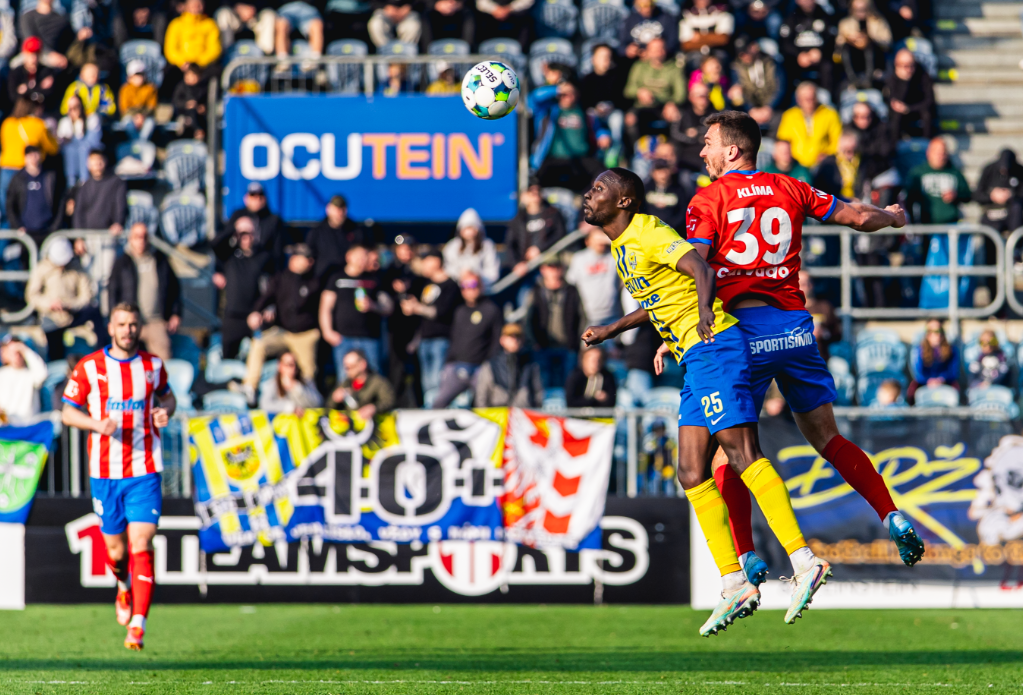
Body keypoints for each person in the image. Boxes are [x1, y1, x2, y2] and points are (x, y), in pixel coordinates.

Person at [670, 111, 922, 576]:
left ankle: (745, 557)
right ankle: (892, 514)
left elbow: (696, 269)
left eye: (708, 143)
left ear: (732, 150)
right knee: (828, 438)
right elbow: (856, 215)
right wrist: (891, 217)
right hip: (794, 331)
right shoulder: (791, 187)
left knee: (730, 450)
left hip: (740, 334)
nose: (702, 151)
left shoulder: (707, 199)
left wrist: (677, 329)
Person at [578, 166, 829, 635]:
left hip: (713, 347)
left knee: (742, 453)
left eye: (598, 189)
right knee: (691, 471)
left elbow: (701, 269)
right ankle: (734, 582)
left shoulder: (648, 232)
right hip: (693, 356)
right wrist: (613, 328)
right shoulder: (622, 245)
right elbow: (660, 299)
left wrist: (703, 318)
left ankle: (804, 560)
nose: (588, 195)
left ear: (624, 201)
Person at [61, 303, 176, 651]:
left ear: (139, 328)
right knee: (116, 550)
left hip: (144, 469)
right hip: (105, 473)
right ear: (111, 328)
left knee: (142, 542)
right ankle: (123, 586)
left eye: (133, 324)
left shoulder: (153, 366)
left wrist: (164, 412)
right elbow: (68, 413)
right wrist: (96, 424)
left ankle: (138, 625)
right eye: (122, 324)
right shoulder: (90, 367)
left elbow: (168, 398)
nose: (128, 330)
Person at [242, 243, 321, 404]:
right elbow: (265, 298)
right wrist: (256, 312)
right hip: (283, 331)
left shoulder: (315, 282)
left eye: (302, 257)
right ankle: (250, 387)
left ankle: (309, 402)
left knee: (308, 372)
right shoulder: (280, 278)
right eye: (295, 256)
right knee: (259, 344)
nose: (295, 260)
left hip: (305, 334)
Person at [108, 223, 182, 361]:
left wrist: (176, 313)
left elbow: (174, 288)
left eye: (144, 237)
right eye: (137, 237)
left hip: (156, 321)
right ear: (130, 239)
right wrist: (115, 319)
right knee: (126, 360)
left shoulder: (160, 260)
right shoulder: (122, 262)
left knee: (164, 361)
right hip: (130, 322)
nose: (141, 240)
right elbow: (112, 292)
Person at [320, 243, 393, 377]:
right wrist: (327, 331)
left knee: (373, 377)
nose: (362, 260)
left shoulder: (374, 279)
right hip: (343, 338)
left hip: (369, 338)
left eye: (365, 257)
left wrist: (373, 306)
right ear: (348, 256)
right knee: (345, 377)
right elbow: (325, 307)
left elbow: (388, 307)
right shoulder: (337, 278)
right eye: (359, 256)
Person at [432, 272, 502, 408]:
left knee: (484, 405)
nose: (469, 289)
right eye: (464, 286)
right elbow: (454, 338)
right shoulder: (459, 310)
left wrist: (488, 365)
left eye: (473, 285)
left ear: (481, 286)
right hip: (456, 368)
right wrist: (449, 363)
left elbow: (496, 341)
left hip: (480, 369)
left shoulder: (491, 309)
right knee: (438, 403)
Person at [26, 237, 102, 360]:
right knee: (55, 351)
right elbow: (32, 295)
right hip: (51, 319)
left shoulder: (77, 268)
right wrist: (49, 304)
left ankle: (102, 351)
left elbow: (86, 296)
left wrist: (70, 305)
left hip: (73, 315)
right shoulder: (42, 269)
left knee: (94, 312)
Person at [529, 81, 611, 193]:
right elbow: (533, 99)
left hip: (580, 158)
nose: (568, 97)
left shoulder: (585, 112)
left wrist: (603, 135)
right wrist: (556, 89)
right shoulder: (548, 111)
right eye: (565, 94)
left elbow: (599, 128)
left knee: (602, 172)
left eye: (572, 93)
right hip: (553, 158)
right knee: (537, 181)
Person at [400, 250, 460, 400]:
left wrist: (417, 308)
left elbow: (442, 312)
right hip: (424, 339)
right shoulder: (424, 284)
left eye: (426, 260)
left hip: (442, 339)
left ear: (436, 261)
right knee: (426, 381)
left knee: (437, 380)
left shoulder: (451, 285)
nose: (423, 265)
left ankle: (436, 408)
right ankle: (429, 407)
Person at [212, 216, 274, 359]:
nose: (246, 237)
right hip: (232, 316)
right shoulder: (230, 255)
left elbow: (272, 285)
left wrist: (268, 307)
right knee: (228, 357)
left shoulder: (264, 256)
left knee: (256, 358)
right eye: (242, 234)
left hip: (255, 316)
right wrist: (234, 229)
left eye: (249, 233)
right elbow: (215, 244)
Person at [524, 259, 587, 388]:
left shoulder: (571, 290)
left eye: (557, 267)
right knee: (543, 386)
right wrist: (534, 342)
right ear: (543, 270)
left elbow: (582, 317)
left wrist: (577, 341)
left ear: (562, 269)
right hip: (542, 347)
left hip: (568, 347)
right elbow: (528, 320)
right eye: (550, 267)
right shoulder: (535, 291)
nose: (554, 271)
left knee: (568, 384)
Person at [0, 98, 59, 227]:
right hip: (25, 173)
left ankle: (5, 239)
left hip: (5, 169)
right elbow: (53, 148)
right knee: (23, 211)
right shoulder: (38, 124)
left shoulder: (7, 123)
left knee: (6, 212)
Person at [505, 180, 567, 277]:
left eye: (538, 190)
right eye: (531, 191)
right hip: (526, 267)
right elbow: (510, 244)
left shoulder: (553, 214)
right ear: (523, 196)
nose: (535, 193)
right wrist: (516, 264)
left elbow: (560, 234)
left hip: (549, 264)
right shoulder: (518, 220)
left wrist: (540, 249)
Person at [474, 323, 543, 408]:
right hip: (497, 413)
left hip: (523, 412)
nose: (515, 340)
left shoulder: (530, 364)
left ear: (522, 340)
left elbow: (538, 393)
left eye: (518, 336)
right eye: (510, 336)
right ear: (502, 340)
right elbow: (481, 396)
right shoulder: (491, 365)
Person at [776, 82, 843, 169]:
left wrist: (828, 155)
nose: (810, 102)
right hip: (795, 165)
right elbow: (782, 141)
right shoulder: (789, 116)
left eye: (812, 98)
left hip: (822, 165)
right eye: (806, 99)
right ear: (799, 100)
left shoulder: (830, 114)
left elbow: (838, 141)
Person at [905, 137, 971, 225]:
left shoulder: (954, 172)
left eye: (943, 153)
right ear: (929, 153)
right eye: (937, 153)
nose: (941, 157)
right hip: (926, 224)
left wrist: (956, 195)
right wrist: (914, 223)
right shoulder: (918, 173)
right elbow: (909, 200)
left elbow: (968, 195)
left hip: (951, 224)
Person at [218, 182, 286, 266]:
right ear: (246, 198)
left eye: (260, 196)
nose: (257, 200)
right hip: (239, 264)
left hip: (263, 265)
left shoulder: (273, 220)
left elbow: (278, 250)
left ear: (264, 199)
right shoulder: (238, 215)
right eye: (253, 196)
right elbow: (223, 243)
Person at [6, 146, 61, 247]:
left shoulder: (50, 176)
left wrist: (55, 227)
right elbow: (10, 205)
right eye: (30, 155)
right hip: (25, 233)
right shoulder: (18, 179)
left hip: (48, 231)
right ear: (25, 158)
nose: (33, 158)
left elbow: (60, 202)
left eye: (35, 154)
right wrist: (17, 226)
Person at [567, 226, 621, 328]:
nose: (599, 241)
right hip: (588, 318)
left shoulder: (613, 256)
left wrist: (608, 239)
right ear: (587, 241)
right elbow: (570, 282)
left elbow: (628, 247)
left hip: (614, 316)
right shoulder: (579, 258)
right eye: (596, 238)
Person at [779, 0, 836, 96]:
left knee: (828, 66)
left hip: (819, 57)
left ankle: (826, 97)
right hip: (798, 57)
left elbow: (832, 39)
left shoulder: (824, 15)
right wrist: (798, 55)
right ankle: (791, 98)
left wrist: (821, 52)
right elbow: (784, 43)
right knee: (786, 66)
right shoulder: (791, 16)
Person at [727, 37, 781, 132]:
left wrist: (769, 107)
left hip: (772, 109)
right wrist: (750, 109)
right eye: (740, 53)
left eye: (745, 51)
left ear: (754, 47)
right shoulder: (736, 67)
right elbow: (737, 91)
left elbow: (780, 88)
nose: (743, 55)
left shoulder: (772, 63)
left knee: (781, 119)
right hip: (749, 110)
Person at [835, 0, 891, 90]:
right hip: (855, 57)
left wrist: (869, 39)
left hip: (876, 56)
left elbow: (887, 42)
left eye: (863, 9)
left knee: (869, 47)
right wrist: (850, 39)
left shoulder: (878, 21)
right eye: (856, 9)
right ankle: (853, 80)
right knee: (846, 48)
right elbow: (838, 42)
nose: (860, 12)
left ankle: (868, 80)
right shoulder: (845, 23)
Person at [442, 208, 500, 290]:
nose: (469, 232)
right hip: (456, 290)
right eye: (466, 228)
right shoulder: (452, 246)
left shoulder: (487, 245)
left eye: (471, 228)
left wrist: (475, 277)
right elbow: (447, 267)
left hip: (481, 290)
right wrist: (461, 275)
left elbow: (493, 271)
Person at [329, 349, 395, 420]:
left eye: (351, 366)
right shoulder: (345, 383)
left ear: (363, 365)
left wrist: (374, 408)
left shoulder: (378, 382)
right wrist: (334, 400)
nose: (347, 370)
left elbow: (389, 401)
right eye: (346, 367)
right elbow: (328, 407)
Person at [307, 194, 362, 279]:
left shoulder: (355, 230)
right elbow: (310, 255)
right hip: (323, 278)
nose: (339, 213)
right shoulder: (317, 232)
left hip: (347, 279)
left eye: (342, 210)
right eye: (336, 209)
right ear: (328, 209)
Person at [885, 48, 935, 141]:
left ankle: (927, 143)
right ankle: (895, 145)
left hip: (918, 109)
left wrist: (909, 109)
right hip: (901, 113)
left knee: (927, 114)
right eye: (905, 66)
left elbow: (929, 101)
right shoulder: (892, 78)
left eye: (912, 65)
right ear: (897, 65)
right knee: (896, 116)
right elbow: (895, 100)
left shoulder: (924, 76)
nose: (909, 69)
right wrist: (904, 81)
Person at [73, 150, 127, 234]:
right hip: (88, 235)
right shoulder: (84, 187)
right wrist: (79, 236)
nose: (97, 163)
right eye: (94, 160)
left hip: (110, 234)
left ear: (105, 161)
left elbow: (121, 206)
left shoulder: (117, 183)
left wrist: (118, 223)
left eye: (100, 159)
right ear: (88, 164)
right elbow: (79, 212)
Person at [164, 0, 222, 76]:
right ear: (185, 5)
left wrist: (199, 63)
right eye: (193, 3)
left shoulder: (210, 24)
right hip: (181, 66)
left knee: (216, 70)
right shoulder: (176, 24)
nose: (196, 6)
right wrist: (182, 62)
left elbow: (215, 49)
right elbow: (170, 50)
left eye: (200, 3)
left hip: (203, 66)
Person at [669, 81, 717, 173]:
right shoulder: (682, 114)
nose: (704, 99)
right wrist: (692, 138)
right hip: (686, 161)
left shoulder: (715, 114)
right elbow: (674, 135)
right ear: (691, 97)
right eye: (700, 96)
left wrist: (697, 133)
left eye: (706, 95)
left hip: (709, 159)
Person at [56, 95, 103, 185]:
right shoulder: (65, 122)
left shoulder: (92, 119)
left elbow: (94, 140)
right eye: (71, 108)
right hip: (71, 155)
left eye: (77, 107)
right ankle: (71, 184)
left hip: (89, 152)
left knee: (82, 149)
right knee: (70, 150)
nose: (74, 111)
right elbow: (61, 142)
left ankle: (84, 182)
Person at [974, 149, 1023, 233]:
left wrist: (1010, 195)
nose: (1004, 171)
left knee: (1017, 209)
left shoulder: (1020, 171)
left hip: (1013, 217)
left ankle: (1016, 241)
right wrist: (992, 196)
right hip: (992, 214)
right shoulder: (989, 170)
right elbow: (977, 195)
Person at [0, 335, 48, 422]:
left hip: (29, 425)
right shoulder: (2, 374)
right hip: (5, 425)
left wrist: (24, 349)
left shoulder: (31, 374)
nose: (16, 354)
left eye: (18, 351)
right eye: (11, 351)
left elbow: (42, 375)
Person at [909, 319, 959, 401]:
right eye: (932, 331)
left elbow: (953, 371)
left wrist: (941, 379)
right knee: (912, 390)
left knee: (955, 388)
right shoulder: (918, 350)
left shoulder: (952, 350)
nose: (937, 334)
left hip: (945, 381)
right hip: (925, 382)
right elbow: (918, 373)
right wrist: (929, 380)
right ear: (927, 333)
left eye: (939, 330)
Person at [258, 350, 323, 413]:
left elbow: (318, 402)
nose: (291, 367)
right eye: (287, 364)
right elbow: (264, 404)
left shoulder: (306, 381)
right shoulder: (273, 383)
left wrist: (297, 388)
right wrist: (289, 407)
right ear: (280, 366)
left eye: (293, 364)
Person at [19, 0, 73, 70]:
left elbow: (67, 43)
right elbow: (31, 40)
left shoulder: (62, 19)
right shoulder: (28, 17)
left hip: (57, 57)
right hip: (34, 53)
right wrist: (50, 54)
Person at [798, 270, 840, 360]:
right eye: (798, 284)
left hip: (822, 359)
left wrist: (823, 333)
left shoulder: (825, 307)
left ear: (811, 285)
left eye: (804, 284)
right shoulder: (786, 311)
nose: (801, 287)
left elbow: (837, 334)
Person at [812, 130, 862, 201]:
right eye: (847, 151)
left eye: (854, 150)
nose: (851, 154)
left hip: (858, 200)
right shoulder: (829, 164)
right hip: (836, 201)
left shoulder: (861, 162)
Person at [8, 37, 57, 107]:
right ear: (24, 54)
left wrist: (26, 89)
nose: (34, 58)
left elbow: (50, 94)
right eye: (31, 54)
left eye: (37, 54)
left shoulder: (46, 71)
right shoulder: (16, 72)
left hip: (42, 111)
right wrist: (39, 87)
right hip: (21, 111)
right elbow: (13, 97)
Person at [643, 158, 688, 230]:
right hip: (649, 228)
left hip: (672, 229)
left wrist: (669, 226)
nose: (663, 175)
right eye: (659, 171)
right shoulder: (646, 188)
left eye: (665, 171)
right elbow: (641, 208)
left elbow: (682, 211)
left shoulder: (679, 189)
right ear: (652, 173)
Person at [172, 64, 208, 140]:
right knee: (191, 111)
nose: (189, 77)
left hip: (199, 115)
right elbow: (176, 101)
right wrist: (186, 104)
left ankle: (198, 131)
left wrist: (203, 107)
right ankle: (197, 130)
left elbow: (206, 101)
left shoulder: (202, 88)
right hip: (183, 112)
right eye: (188, 75)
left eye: (193, 75)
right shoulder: (181, 86)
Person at [118, 60, 158, 126]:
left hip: (145, 117)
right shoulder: (125, 89)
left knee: (150, 123)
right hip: (130, 116)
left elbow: (152, 107)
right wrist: (136, 116)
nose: (139, 77)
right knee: (128, 122)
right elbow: (124, 108)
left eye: (141, 74)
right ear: (130, 77)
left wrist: (142, 116)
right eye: (136, 75)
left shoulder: (150, 88)